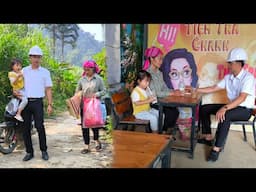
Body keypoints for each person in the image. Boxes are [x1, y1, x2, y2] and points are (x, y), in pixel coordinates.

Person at [196, 48, 255, 162]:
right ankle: (208, 136)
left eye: (230, 63)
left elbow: (242, 98)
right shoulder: (229, 77)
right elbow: (214, 88)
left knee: (225, 115)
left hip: (245, 110)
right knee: (204, 108)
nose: (228, 65)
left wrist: (224, 108)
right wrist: (196, 90)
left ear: (238, 63)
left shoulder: (248, 78)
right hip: (232, 106)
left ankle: (216, 148)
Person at [19, 45, 53, 161]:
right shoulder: (24, 71)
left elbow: (48, 89)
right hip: (25, 102)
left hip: (38, 102)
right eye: (34, 57)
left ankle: (44, 150)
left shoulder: (45, 72)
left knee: (40, 126)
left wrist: (49, 104)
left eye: (38, 57)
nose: (36, 59)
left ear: (41, 58)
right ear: (30, 58)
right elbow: (17, 85)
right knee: (25, 127)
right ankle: (29, 152)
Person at [161, 48, 199, 141]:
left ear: (192, 75)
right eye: (174, 74)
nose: (181, 80)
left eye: (186, 72)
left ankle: (186, 132)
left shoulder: (193, 92)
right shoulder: (168, 92)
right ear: (168, 78)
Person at [143, 46, 179, 134]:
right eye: (159, 59)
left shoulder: (159, 73)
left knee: (175, 111)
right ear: (151, 59)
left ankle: (164, 131)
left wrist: (173, 91)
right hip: (152, 102)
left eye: (161, 59)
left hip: (161, 101)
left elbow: (164, 87)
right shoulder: (146, 74)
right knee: (170, 113)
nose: (161, 62)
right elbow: (156, 93)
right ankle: (162, 133)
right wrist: (171, 94)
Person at [76, 60, 106, 154]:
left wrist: (96, 94)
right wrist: (77, 96)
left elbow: (104, 91)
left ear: (93, 69)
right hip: (84, 105)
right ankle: (86, 146)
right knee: (84, 126)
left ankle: (97, 141)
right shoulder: (82, 80)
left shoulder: (98, 79)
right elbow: (77, 91)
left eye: (88, 69)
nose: (86, 71)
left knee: (94, 125)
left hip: (94, 105)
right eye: (85, 69)